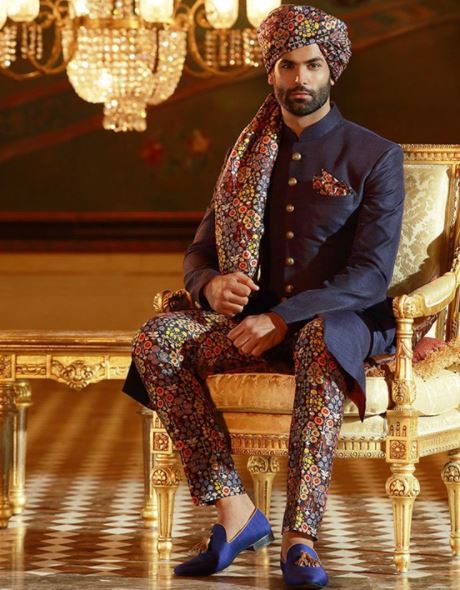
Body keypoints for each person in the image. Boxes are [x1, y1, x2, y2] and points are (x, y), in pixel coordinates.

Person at [123, 4, 405, 587]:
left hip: (341, 319)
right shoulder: (245, 158)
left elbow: (371, 276)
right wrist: (209, 285)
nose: (300, 78)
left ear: (332, 70)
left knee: (321, 339)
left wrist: (281, 318)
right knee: (159, 338)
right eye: (287, 66)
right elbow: (200, 251)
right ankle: (235, 510)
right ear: (271, 72)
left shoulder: (374, 155)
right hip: (251, 323)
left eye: (312, 65)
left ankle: (301, 538)